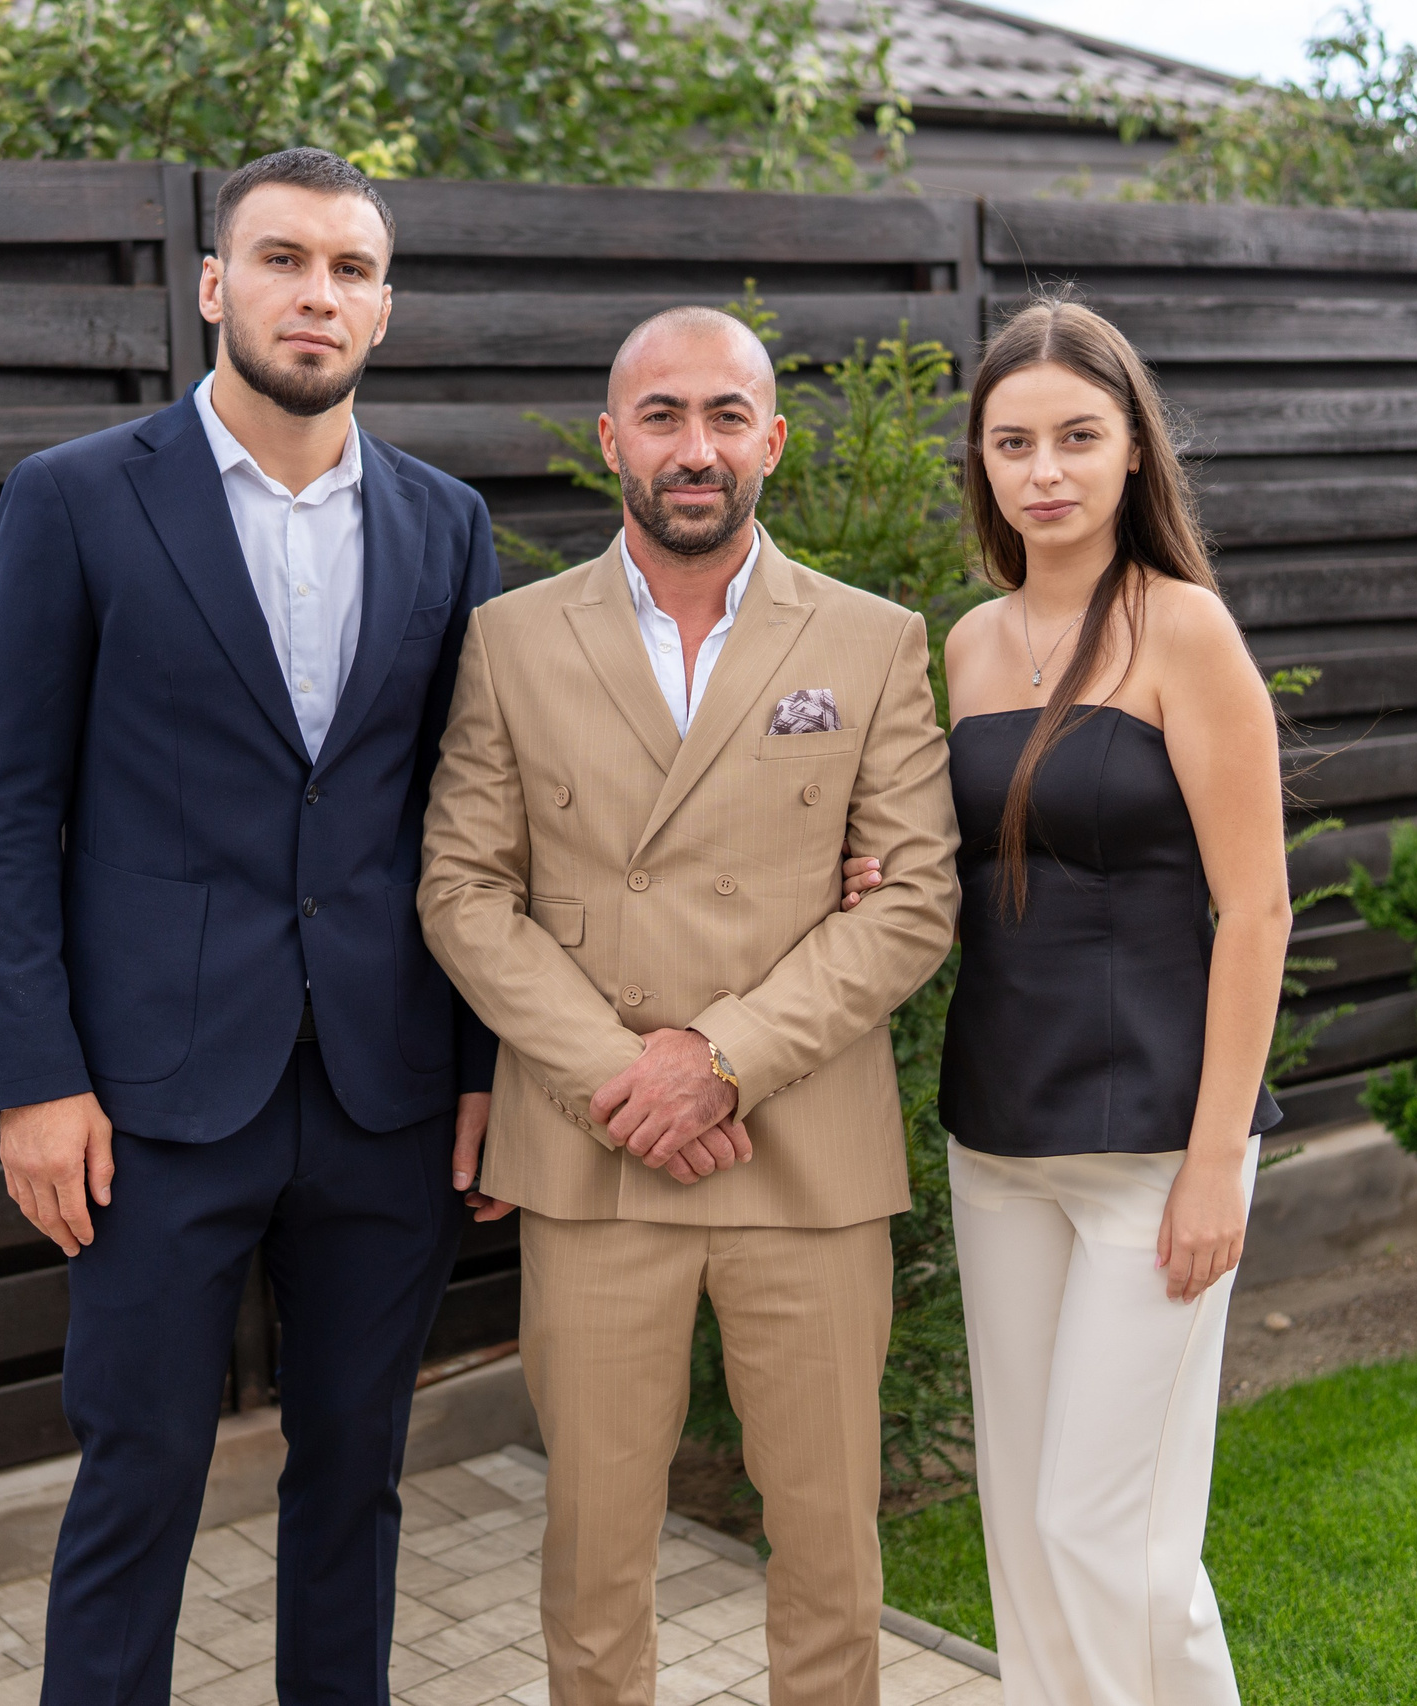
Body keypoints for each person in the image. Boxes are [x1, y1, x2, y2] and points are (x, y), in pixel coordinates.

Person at [0, 147, 503, 1706]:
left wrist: (478, 1070)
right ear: (214, 285)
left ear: (384, 308)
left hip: (385, 1096)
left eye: (348, 268)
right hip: (148, 1103)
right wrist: (34, 1078)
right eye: (281, 259)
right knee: (138, 1488)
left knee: (358, 1484)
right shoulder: (74, 500)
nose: (314, 293)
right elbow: (4, 815)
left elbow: (464, 822)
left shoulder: (446, 524)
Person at [420, 306, 962, 1706]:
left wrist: (716, 1059)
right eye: (661, 415)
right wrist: (626, 1076)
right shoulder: (511, 640)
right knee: (596, 1562)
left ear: (771, 440)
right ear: (613, 441)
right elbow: (465, 892)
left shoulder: (876, 640)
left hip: (806, 1159)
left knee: (832, 1559)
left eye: (726, 414)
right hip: (598, 1160)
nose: (695, 445)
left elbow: (913, 903)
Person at [841, 297, 1289, 1706]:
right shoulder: (968, 645)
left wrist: (1218, 1159)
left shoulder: (1185, 630)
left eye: (1079, 437)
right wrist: (875, 875)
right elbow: (973, 863)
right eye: (1015, 441)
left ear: (1133, 452)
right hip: (1000, 1134)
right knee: (1027, 1531)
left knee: (1106, 1531)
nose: (1047, 469)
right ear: (981, 462)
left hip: (1161, 1143)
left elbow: (1259, 907)